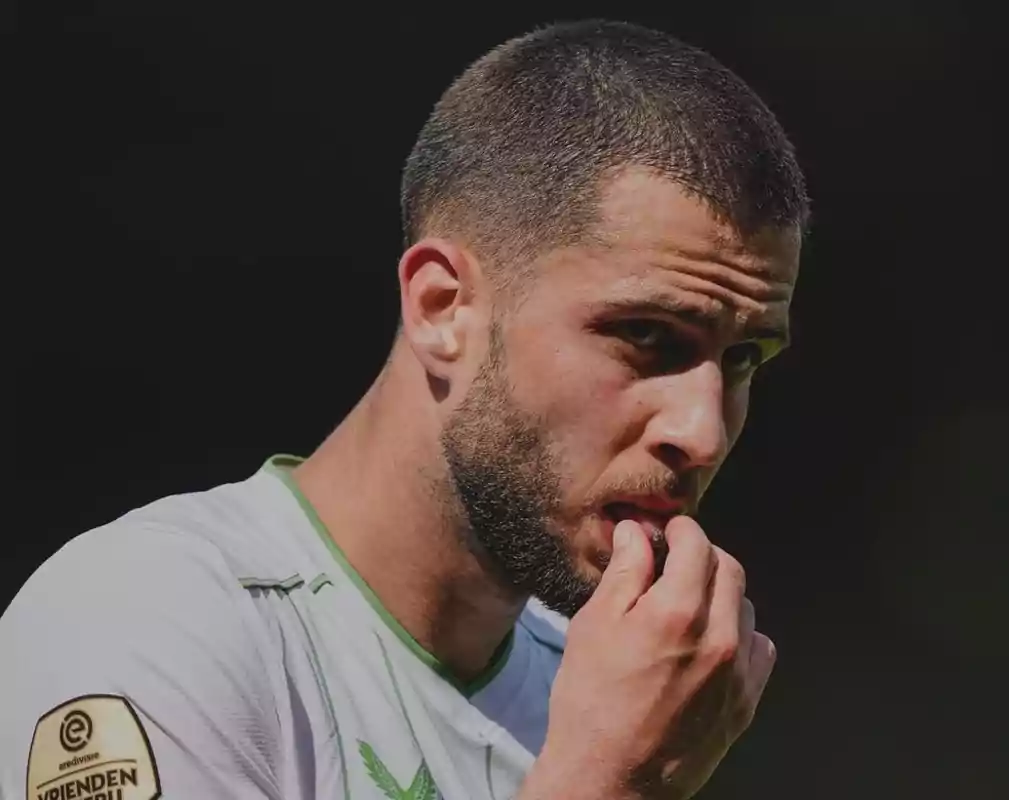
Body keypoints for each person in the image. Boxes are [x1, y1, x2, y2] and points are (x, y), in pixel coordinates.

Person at [1, 18, 810, 800]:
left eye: (742, 359)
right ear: (442, 308)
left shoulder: (611, 694)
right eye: (646, 335)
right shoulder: (155, 619)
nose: (702, 431)